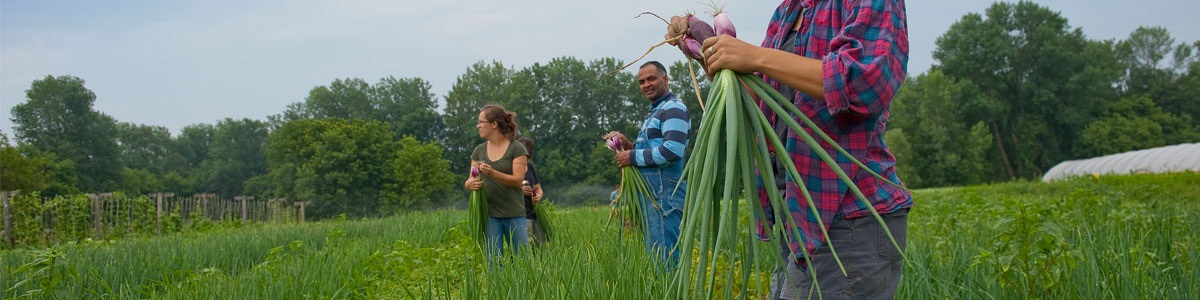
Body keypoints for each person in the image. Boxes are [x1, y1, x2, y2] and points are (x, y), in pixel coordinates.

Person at [677, 0, 914, 298]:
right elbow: (763, 101)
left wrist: (756, 56)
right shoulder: (788, 10)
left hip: (850, 215)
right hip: (798, 217)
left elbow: (866, 81)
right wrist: (709, 54)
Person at [607, 61, 690, 270]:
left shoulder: (673, 109)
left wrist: (632, 156)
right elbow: (657, 150)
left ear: (665, 79)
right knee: (656, 258)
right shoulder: (655, 112)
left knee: (665, 261)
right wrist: (629, 146)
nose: (646, 84)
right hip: (653, 196)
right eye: (641, 82)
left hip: (665, 197)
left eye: (651, 78)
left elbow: (672, 151)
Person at [464, 104, 530, 261]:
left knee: (522, 260)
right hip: (490, 215)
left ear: (494, 124)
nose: (478, 126)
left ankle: (525, 286)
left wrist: (493, 173)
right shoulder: (478, 151)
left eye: (481, 122)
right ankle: (497, 286)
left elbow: (517, 180)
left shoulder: (517, 149)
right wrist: (469, 185)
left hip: (514, 214)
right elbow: (470, 179)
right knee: (494, 262)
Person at [517, 137, 547, 245]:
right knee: (526, 248)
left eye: (527, 157)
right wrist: (520, 190)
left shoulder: (530, 167)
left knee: (541, 247)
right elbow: (503, 188)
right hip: (520, 215)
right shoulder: (509, 168)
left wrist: (538, 195)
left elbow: (538, 187)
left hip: (535, 213)